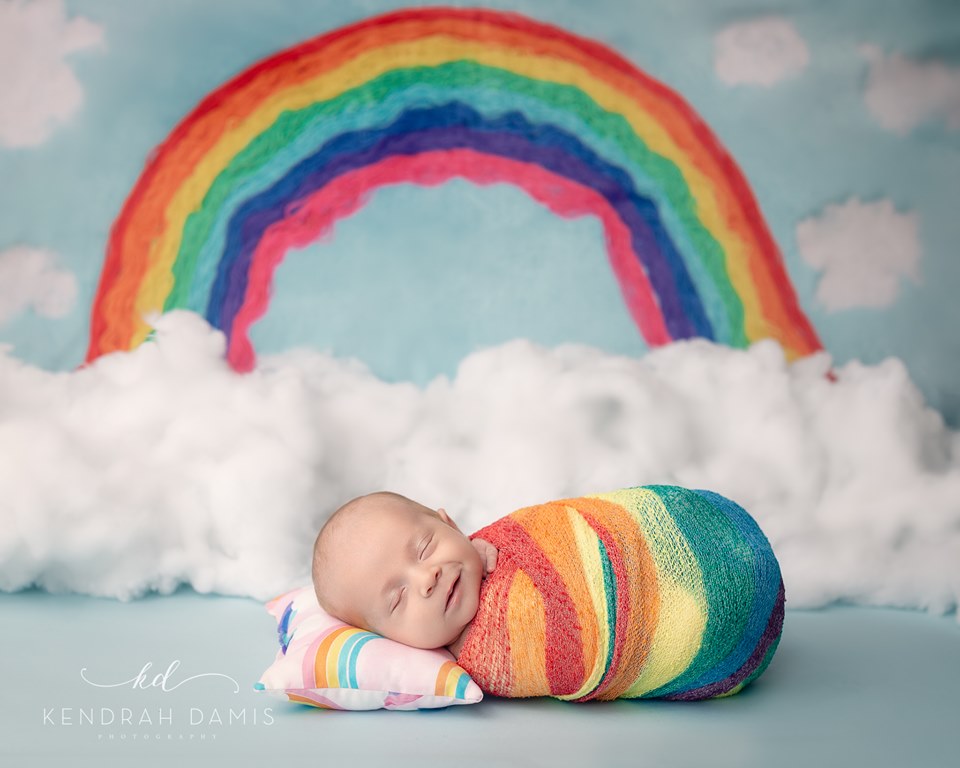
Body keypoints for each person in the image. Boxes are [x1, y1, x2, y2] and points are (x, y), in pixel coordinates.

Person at [312, 491, 498, 657]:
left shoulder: (495, 551)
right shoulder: (429, 676)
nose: (427, 578)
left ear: (450, 525)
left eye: (424, 548)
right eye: (398, 598)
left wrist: (493, 544)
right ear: (388, 639)